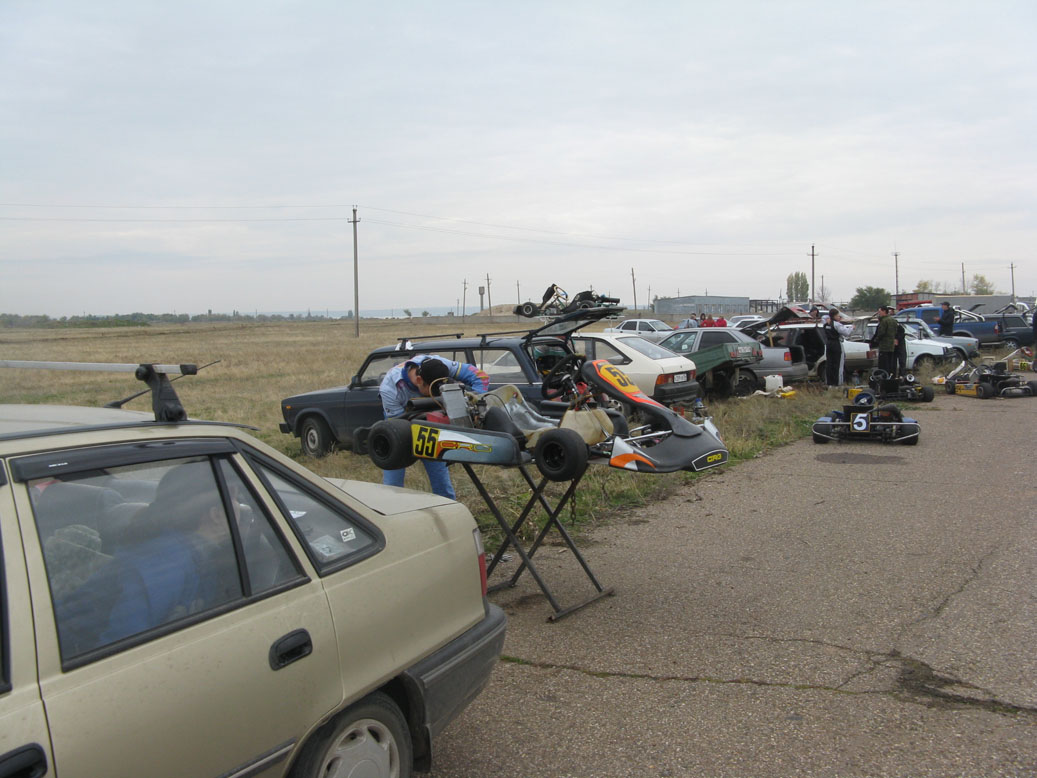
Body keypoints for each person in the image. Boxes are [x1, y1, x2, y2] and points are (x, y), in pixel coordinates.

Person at [379, 354, 489, 499]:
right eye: (432, 391)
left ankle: (447, 505)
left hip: (432, 424)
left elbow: (481, 377)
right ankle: (391, 506)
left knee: (440, 479)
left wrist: (475, 402)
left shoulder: (440, 365)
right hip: (399, 423)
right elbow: (398, 428)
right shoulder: (390, 388)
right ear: (419, 380)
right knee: (393, 481)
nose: (436, 395)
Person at [820, 306, 854, 386]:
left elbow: (823, 318)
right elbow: (846, 333)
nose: (839, 317)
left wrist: (829, 319)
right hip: (836, 344)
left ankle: (829, 383)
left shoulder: (826, 323)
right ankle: (837, 383)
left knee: (829, 364)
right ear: (834, 316)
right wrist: (852, 328)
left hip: (828, 345)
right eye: (838, 316)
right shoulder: (837, 325)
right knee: (838, 365)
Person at [870, 306, 899, 375]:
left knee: (883, 364)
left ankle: (884, 376)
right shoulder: (893, 320)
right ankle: (890, 376)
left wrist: (875, 341)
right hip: (891, 346)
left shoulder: (884, 321)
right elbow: (896, 332)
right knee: (890, 362)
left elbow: (881, 333)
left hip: (884, 346)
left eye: (879, 311)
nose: (878, 313)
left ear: (884, 311)